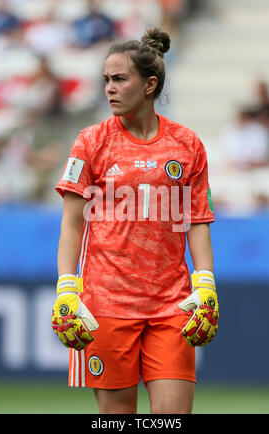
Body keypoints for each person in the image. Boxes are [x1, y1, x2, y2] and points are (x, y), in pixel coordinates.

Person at [51, 27, 218, 414]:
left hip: (173, 305)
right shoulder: (90, 141)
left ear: (150, 85)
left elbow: (196, 219)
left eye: (120, 79)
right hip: (105, 306)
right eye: (106, 80)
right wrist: (66, 289)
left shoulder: (188, 145)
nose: (109, 88)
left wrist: (206, 282)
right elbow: (72, 224)